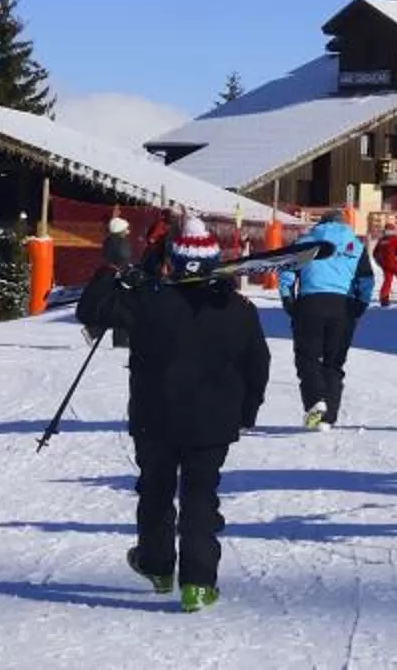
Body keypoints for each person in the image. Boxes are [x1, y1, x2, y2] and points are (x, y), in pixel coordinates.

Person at [77, 217, 268, 613]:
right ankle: (197, 584)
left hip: (155, 417)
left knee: (155, 490)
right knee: (200, 498)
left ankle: (158, 565)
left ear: (174, 262)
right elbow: (257, 364)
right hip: (213, 422)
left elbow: (90, 309)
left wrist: (112, 268)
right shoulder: (239, 308)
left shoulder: (149, 300)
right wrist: (247, 411)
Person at [278, 210, 372, 430]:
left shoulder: (306, 241)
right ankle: (327, 417)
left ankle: (315, 401)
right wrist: (360, 305)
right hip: (342, 306)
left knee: (307, 357)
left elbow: (287, 274)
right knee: (334, 362)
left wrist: (288, 301)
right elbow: (365, 279)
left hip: (310, 303)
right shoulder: (355, 245)